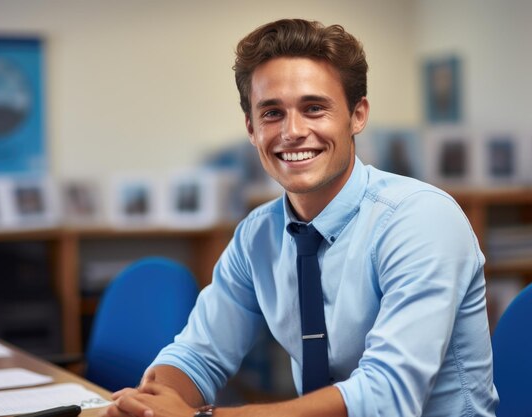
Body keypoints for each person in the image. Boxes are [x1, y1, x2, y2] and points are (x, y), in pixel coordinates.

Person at [103, 18, 499, 417]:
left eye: (314, 108)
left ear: (357, 115)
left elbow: (387, 396)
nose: (292, 132)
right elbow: (197, 354)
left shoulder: (420, 220)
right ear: (251, 128)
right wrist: (153, 405)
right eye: (272, 113)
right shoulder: (257, 236)